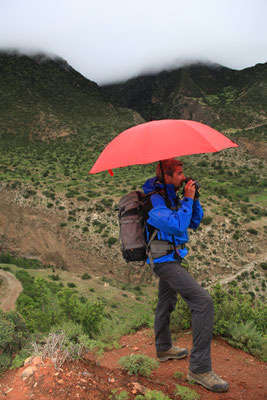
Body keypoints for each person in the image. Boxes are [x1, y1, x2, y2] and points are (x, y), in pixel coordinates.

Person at [142, 158, 229, 393]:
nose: (184, 177)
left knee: (166, 301)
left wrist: (194, 199)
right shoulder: (153, 201)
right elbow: (178, 226)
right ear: (166, 175)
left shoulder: (171, 196)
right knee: (203, 302)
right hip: (163, 262)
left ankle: (163, 348)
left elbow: (195, 222)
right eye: (179, 174)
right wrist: (188, 199)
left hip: (173, 257)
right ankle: (199, 368)